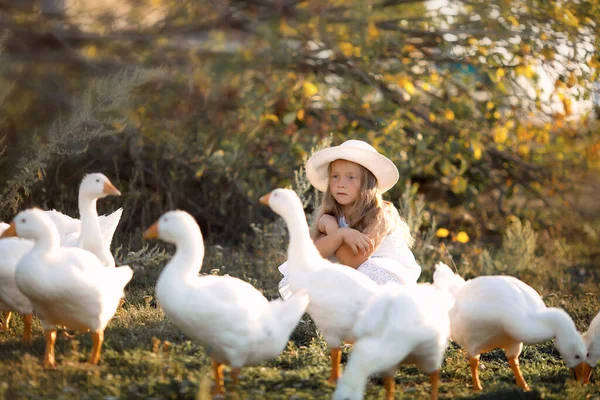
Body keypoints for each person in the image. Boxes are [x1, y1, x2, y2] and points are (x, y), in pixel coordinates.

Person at [278, 139, 421, 299]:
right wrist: (337, 231)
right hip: (354, 276)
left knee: (358, 274)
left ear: (368, 184)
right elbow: (310, 256)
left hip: (384, 281)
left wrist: (336, 232)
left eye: (351, 177)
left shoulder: (382, 214)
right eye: (335, 176)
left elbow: (353, 262)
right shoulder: (331, 215)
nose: (341, 184)